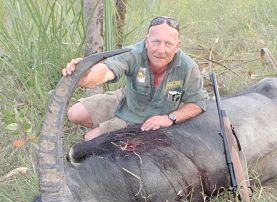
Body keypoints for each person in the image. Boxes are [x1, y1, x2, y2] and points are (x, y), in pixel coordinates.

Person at [63, 16, 209, 141]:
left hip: (149, 119)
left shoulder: (188, 67)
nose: (161, 50)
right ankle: (112, 124)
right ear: (146, 41)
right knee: (74, 114)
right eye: (156, 42)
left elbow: (198, 103)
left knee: (89, 140)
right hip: (129, 99)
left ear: (177, 46)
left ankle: (114, 127)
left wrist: (170, 118)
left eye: (168, 44)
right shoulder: (134, 53)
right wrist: (85, 74)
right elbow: (107, 71)